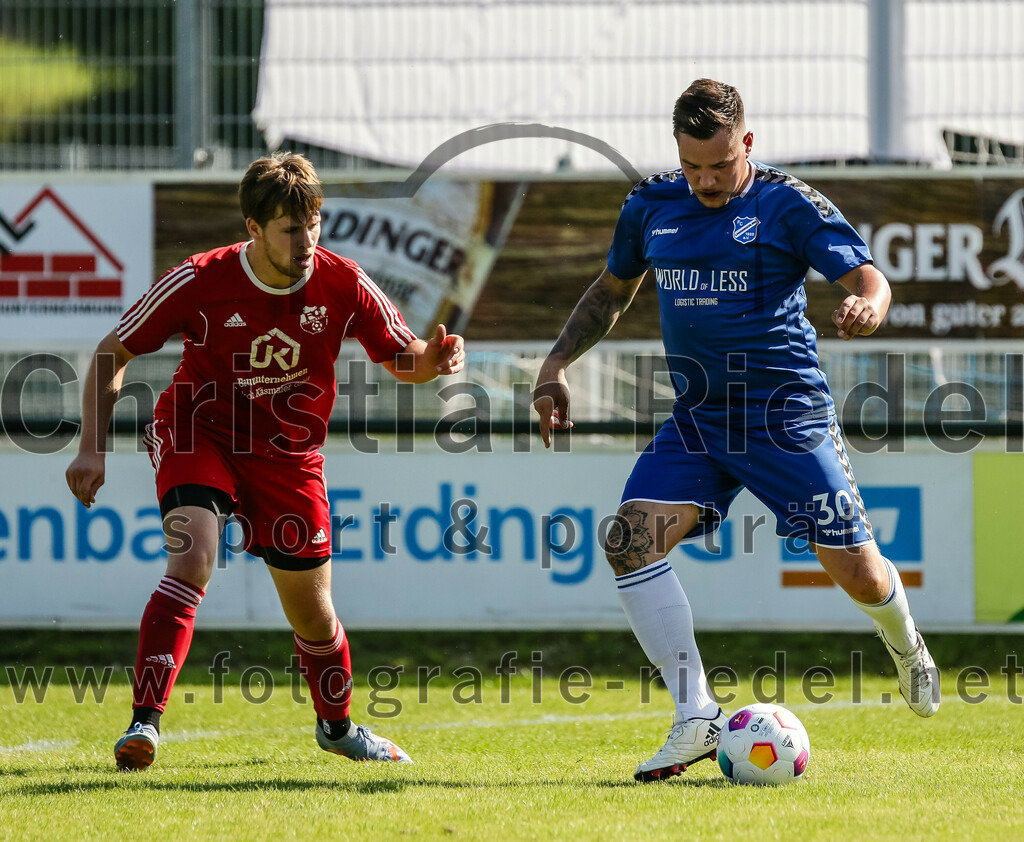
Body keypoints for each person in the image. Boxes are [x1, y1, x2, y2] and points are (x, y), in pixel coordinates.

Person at [532, 79, 940, 783]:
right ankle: (695, 715)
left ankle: (906, 644)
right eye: (693, 168)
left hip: (786, 417)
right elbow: (610, 292)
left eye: (720, 166)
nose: (707, 181)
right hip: (700, 418)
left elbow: (869, 278)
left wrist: (869, 307)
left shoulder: (787, 203)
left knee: (864, 575)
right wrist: (556, 363)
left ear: (746, 142)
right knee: (629, 539)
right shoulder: (651, 204)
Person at [66, 152, 465, 771]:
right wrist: (91, 445)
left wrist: (432, 361)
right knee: (193, 556)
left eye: (313, 223)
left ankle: (337, 729)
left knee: (314, 614)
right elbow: (111, 350)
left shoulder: (344, 281)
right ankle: (144, 724)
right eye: (289, 227)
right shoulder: (200, 279)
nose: (306, 240)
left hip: (289, 456)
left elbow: (402, 355)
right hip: (200, 433)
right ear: (253, 229)